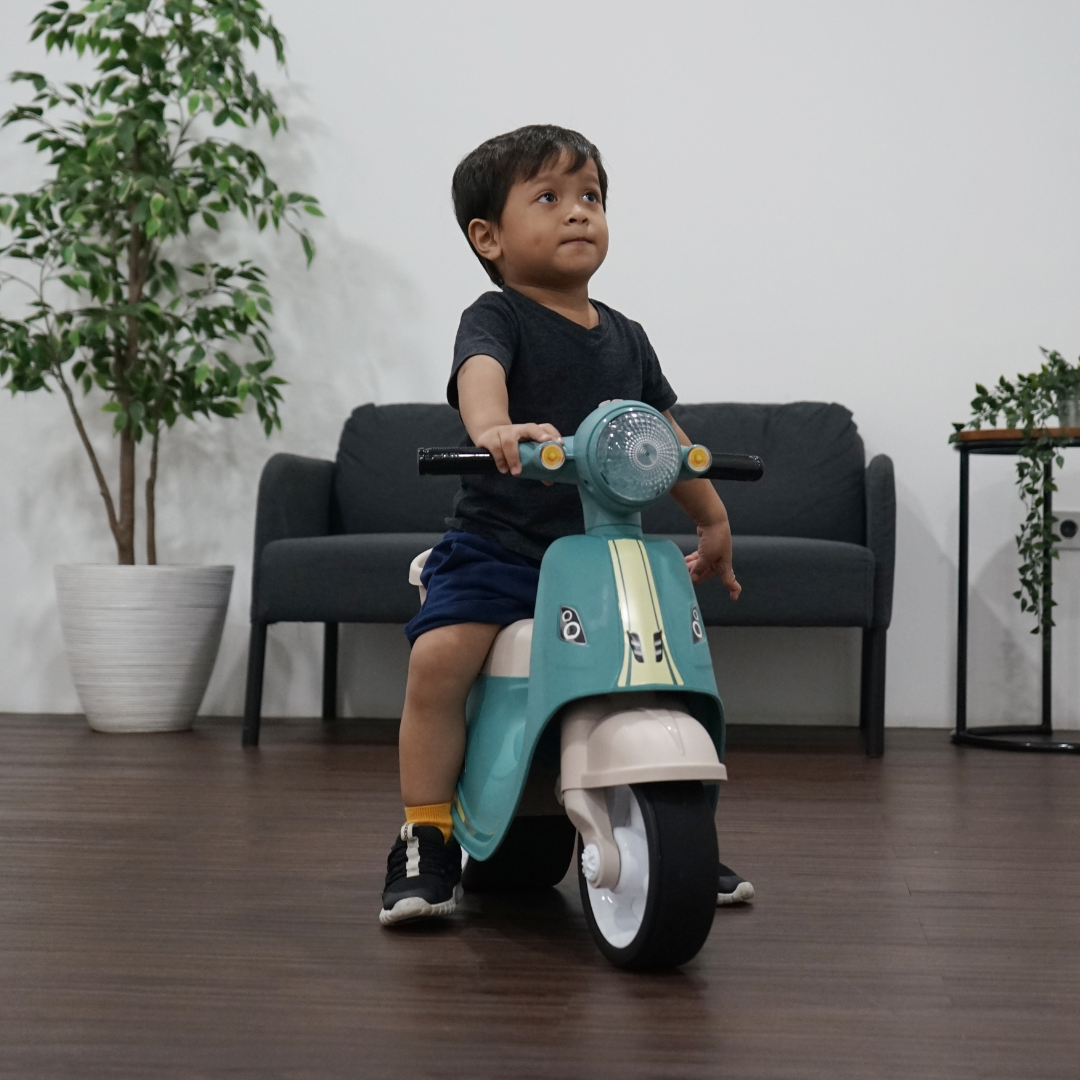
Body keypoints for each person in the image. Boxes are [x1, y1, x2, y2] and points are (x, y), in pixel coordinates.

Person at [380, 125, 755, 926]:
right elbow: (479, 376)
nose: (579, 212)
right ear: (489, 237)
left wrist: (712, 516)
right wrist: (495, 429)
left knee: (662, 664)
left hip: (604, 553)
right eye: (549, 197)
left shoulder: (627, 337)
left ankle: (673, 820)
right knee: (440, 661)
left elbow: (661, 437)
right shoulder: (498, 317)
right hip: (501, 548)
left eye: (591, 196)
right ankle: (427, 831)